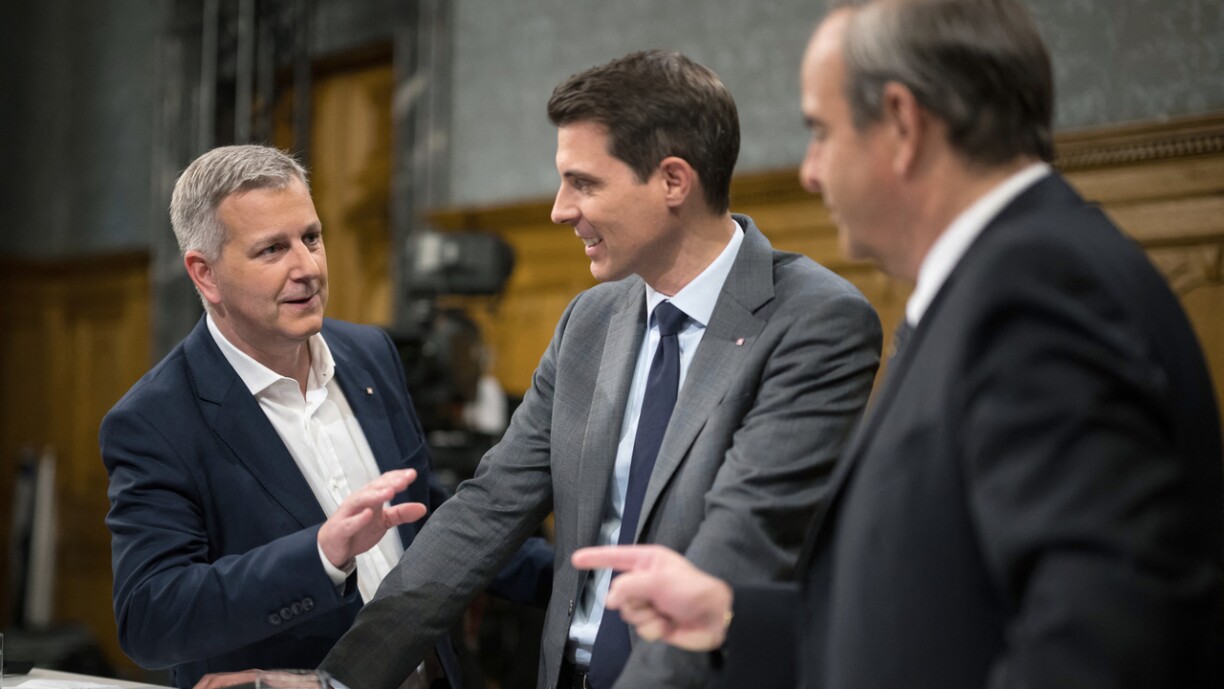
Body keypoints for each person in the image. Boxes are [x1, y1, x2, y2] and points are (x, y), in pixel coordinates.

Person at [573, 1, 1224, 688]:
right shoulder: (1007, 279)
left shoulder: (1038, 291)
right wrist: (732, 618)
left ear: (903, 125)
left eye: (821, 132)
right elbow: (943, 608)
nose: (810, 171)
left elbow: (1098, 639)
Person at [317, 49, 881, 689]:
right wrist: (339, 680)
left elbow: (739, 544)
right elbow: (487, 511)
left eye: (583, 183)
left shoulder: (815, 321)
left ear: (673, 181)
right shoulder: (589, 320)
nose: (559, 209)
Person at [101, 145, 549, 689]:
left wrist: (574, 580)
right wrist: (321, 555)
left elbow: (426, 516)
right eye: (271, 250)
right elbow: (152, 617)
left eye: (311, 238)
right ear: (206, 275)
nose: (308, 268)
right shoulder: (154, 421)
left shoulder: (369, 354)